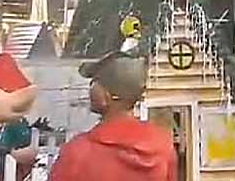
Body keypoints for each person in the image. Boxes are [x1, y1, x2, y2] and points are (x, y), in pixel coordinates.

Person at [48, 53, 176, 181]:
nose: (90, 89)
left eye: (94, 82)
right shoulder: (164, 147)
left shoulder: (77, 153)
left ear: (106, 97)